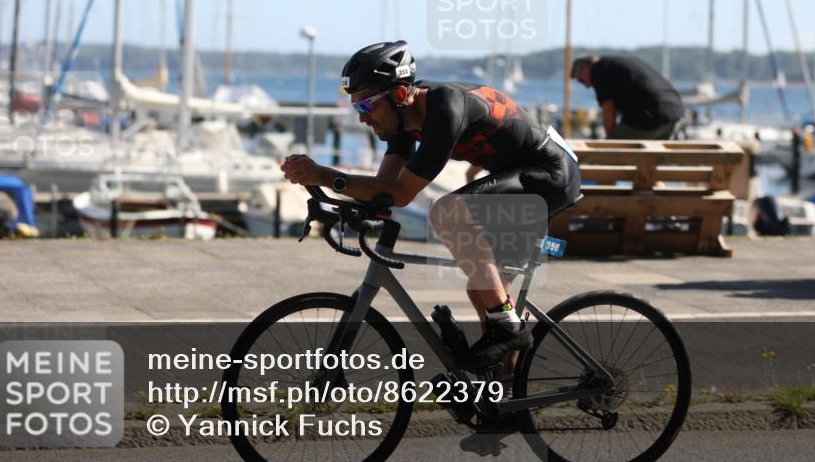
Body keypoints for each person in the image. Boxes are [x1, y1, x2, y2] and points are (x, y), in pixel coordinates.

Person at [281, 41, 583, 368]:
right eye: (357, 109)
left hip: (550, 175)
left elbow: (402, 193)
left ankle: (508, 326)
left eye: (366, 106)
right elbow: (385, 188)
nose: (363, 118)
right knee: (482, 290)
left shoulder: (445, 110)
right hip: (518, 175)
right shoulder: (402, 118)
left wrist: (327, 175)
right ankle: (504, 388)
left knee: (448, 212)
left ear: (399, 95)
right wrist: (337, 202)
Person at [571, 54, 685, 139]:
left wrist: (610, 141)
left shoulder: (598, 69)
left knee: (610, 156)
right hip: (675, 113)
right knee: (655, 160)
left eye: (581, 80)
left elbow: (609, 110)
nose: (586, 86)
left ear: (586, 67)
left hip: (650, 117)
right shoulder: (621, 62)